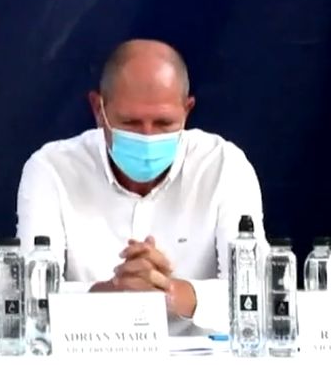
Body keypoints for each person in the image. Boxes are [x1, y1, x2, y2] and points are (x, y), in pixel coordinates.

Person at [16, 39, 266, 335]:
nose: (148, 136)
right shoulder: (52, 169)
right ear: (98, 109)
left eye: (163, 123)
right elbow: (28, 297)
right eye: (131, 122)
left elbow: (257, 295)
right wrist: (113, 292)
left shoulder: (224, 167)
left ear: (187, 110)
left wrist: (167, 291)